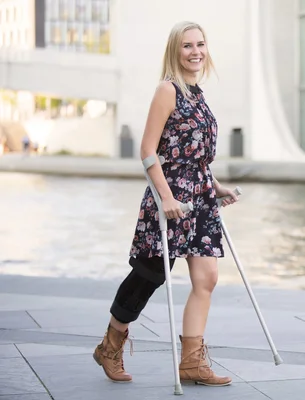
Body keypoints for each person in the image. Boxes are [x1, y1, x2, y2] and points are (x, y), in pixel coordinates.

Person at [93, 21, 238, 387]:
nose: (195, 52)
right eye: (187, 46)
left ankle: (192, 362)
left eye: (200, 45)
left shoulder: (198, 95)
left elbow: (197, 158)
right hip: (169, 198)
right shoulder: (167, 90)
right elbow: (148, 151)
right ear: (175, 51)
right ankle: (110, 345)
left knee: (207, 278)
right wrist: (167, 196)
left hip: (201, 199)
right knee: (149, 276)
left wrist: (217, 187)